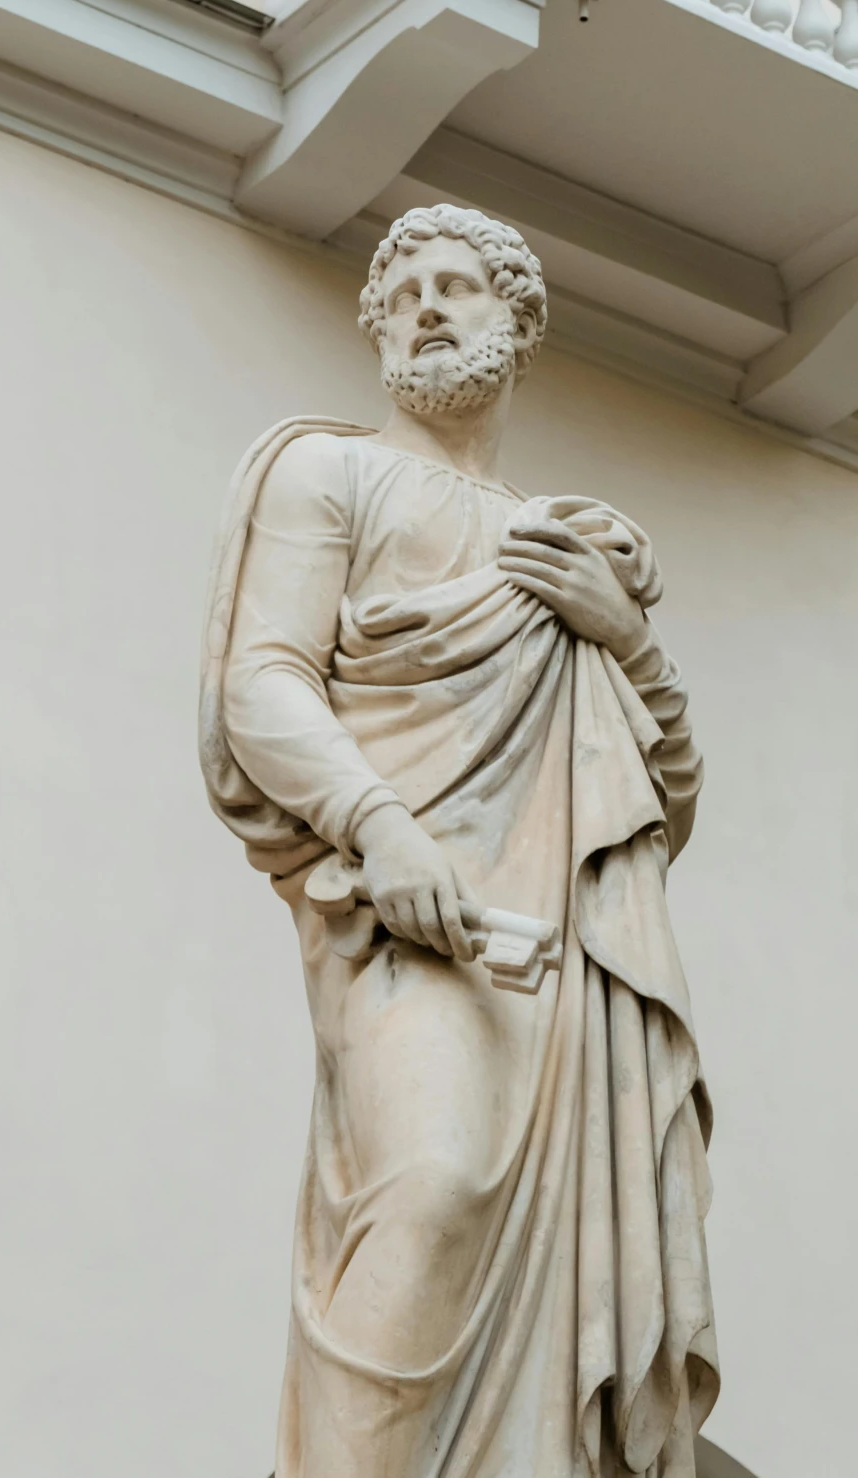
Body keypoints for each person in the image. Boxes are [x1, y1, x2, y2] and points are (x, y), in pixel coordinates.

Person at [200, 204, 718, 1478]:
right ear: (379, 329)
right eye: (405, 292)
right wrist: (381, 825)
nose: (426, 305)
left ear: (519, 325)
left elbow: (663, 797)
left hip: (566, 965)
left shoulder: (565, 545)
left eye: (460, 287)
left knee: (567, 1291)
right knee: (428, 1188)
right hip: (403, 926)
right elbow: (262, 680)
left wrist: (628, 637)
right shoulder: (327, 474)